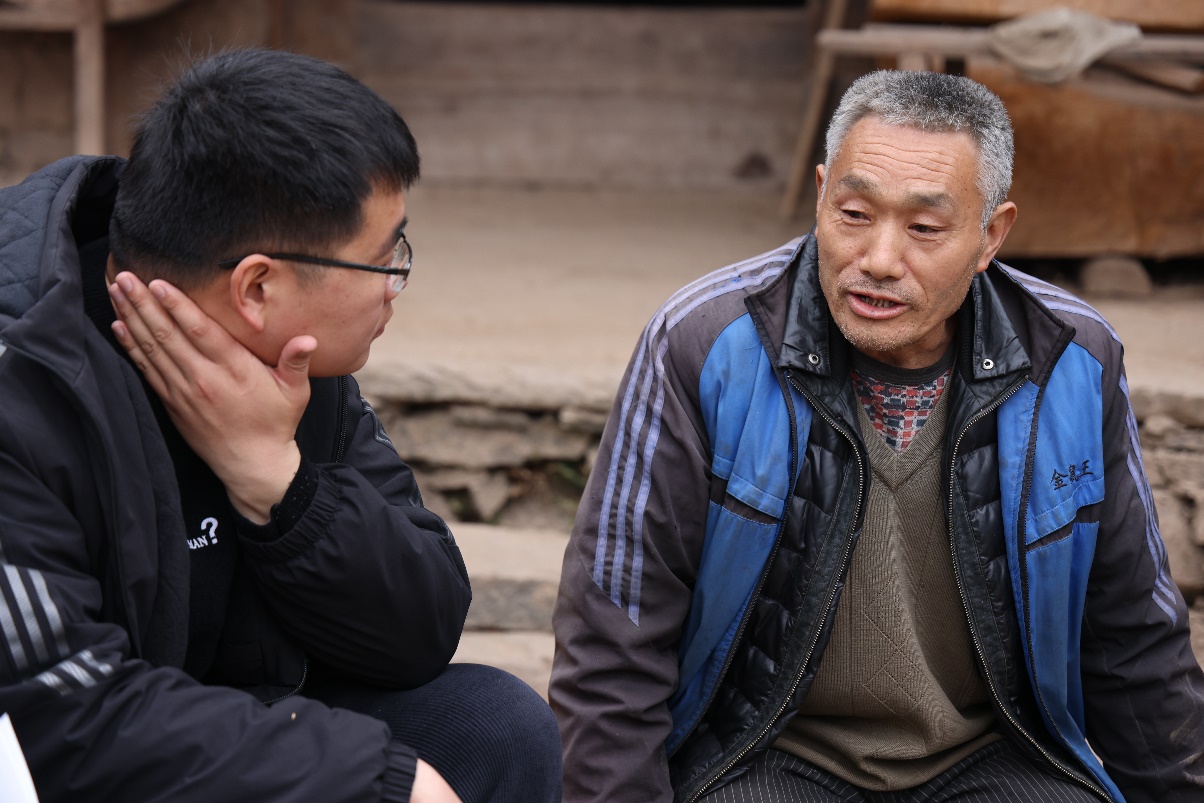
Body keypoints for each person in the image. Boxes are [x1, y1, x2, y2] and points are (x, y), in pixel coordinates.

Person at [551, 70, 1204, 803]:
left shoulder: (1071, 361)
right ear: (821, 195)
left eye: (925, 228)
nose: (880, 260)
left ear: (991, 235)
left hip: (993, 756)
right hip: (762, 752)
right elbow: (613, 633)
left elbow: (1132, 640)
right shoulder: (705, 345)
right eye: (854, 213)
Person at [0, 48, 561, 802]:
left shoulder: (295, 361)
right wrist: (375, 780)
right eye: (384, 259)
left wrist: (278, 481)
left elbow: (423, 628)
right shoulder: (26, 381)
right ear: (257, 287)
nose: (396, 284)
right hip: (69, 762)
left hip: (216, 727)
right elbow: (61, 721)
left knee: (494, 726)